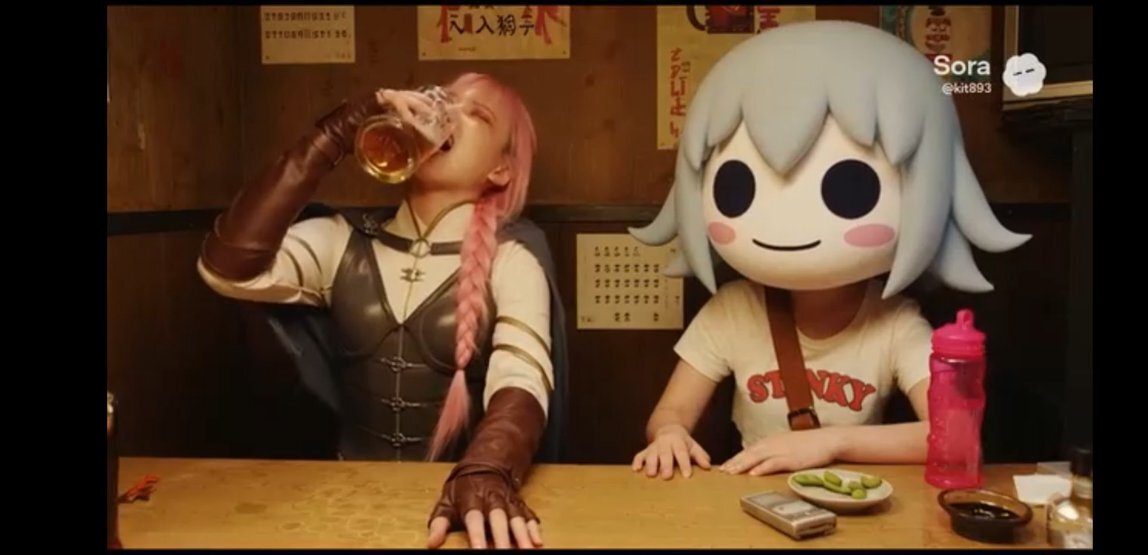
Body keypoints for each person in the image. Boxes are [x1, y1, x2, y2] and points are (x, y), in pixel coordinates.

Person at [629, 21, 1029, 479]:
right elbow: (670, 412)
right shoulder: (733, 310)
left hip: (853, 499)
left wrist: (829, 443)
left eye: (851, 187)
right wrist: (670, 434)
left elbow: (953, 436)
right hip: (752, 494)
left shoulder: (895, 322)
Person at [197, 73, 568, 549]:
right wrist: (336, 133)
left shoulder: (513, 258)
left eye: (476, 115)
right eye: (447, 100)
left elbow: (522, 378)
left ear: (500, 169)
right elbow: (226, 270)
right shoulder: (342, 240)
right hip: (345, 505)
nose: (448, 114)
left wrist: (486, 471)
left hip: (457, 508)